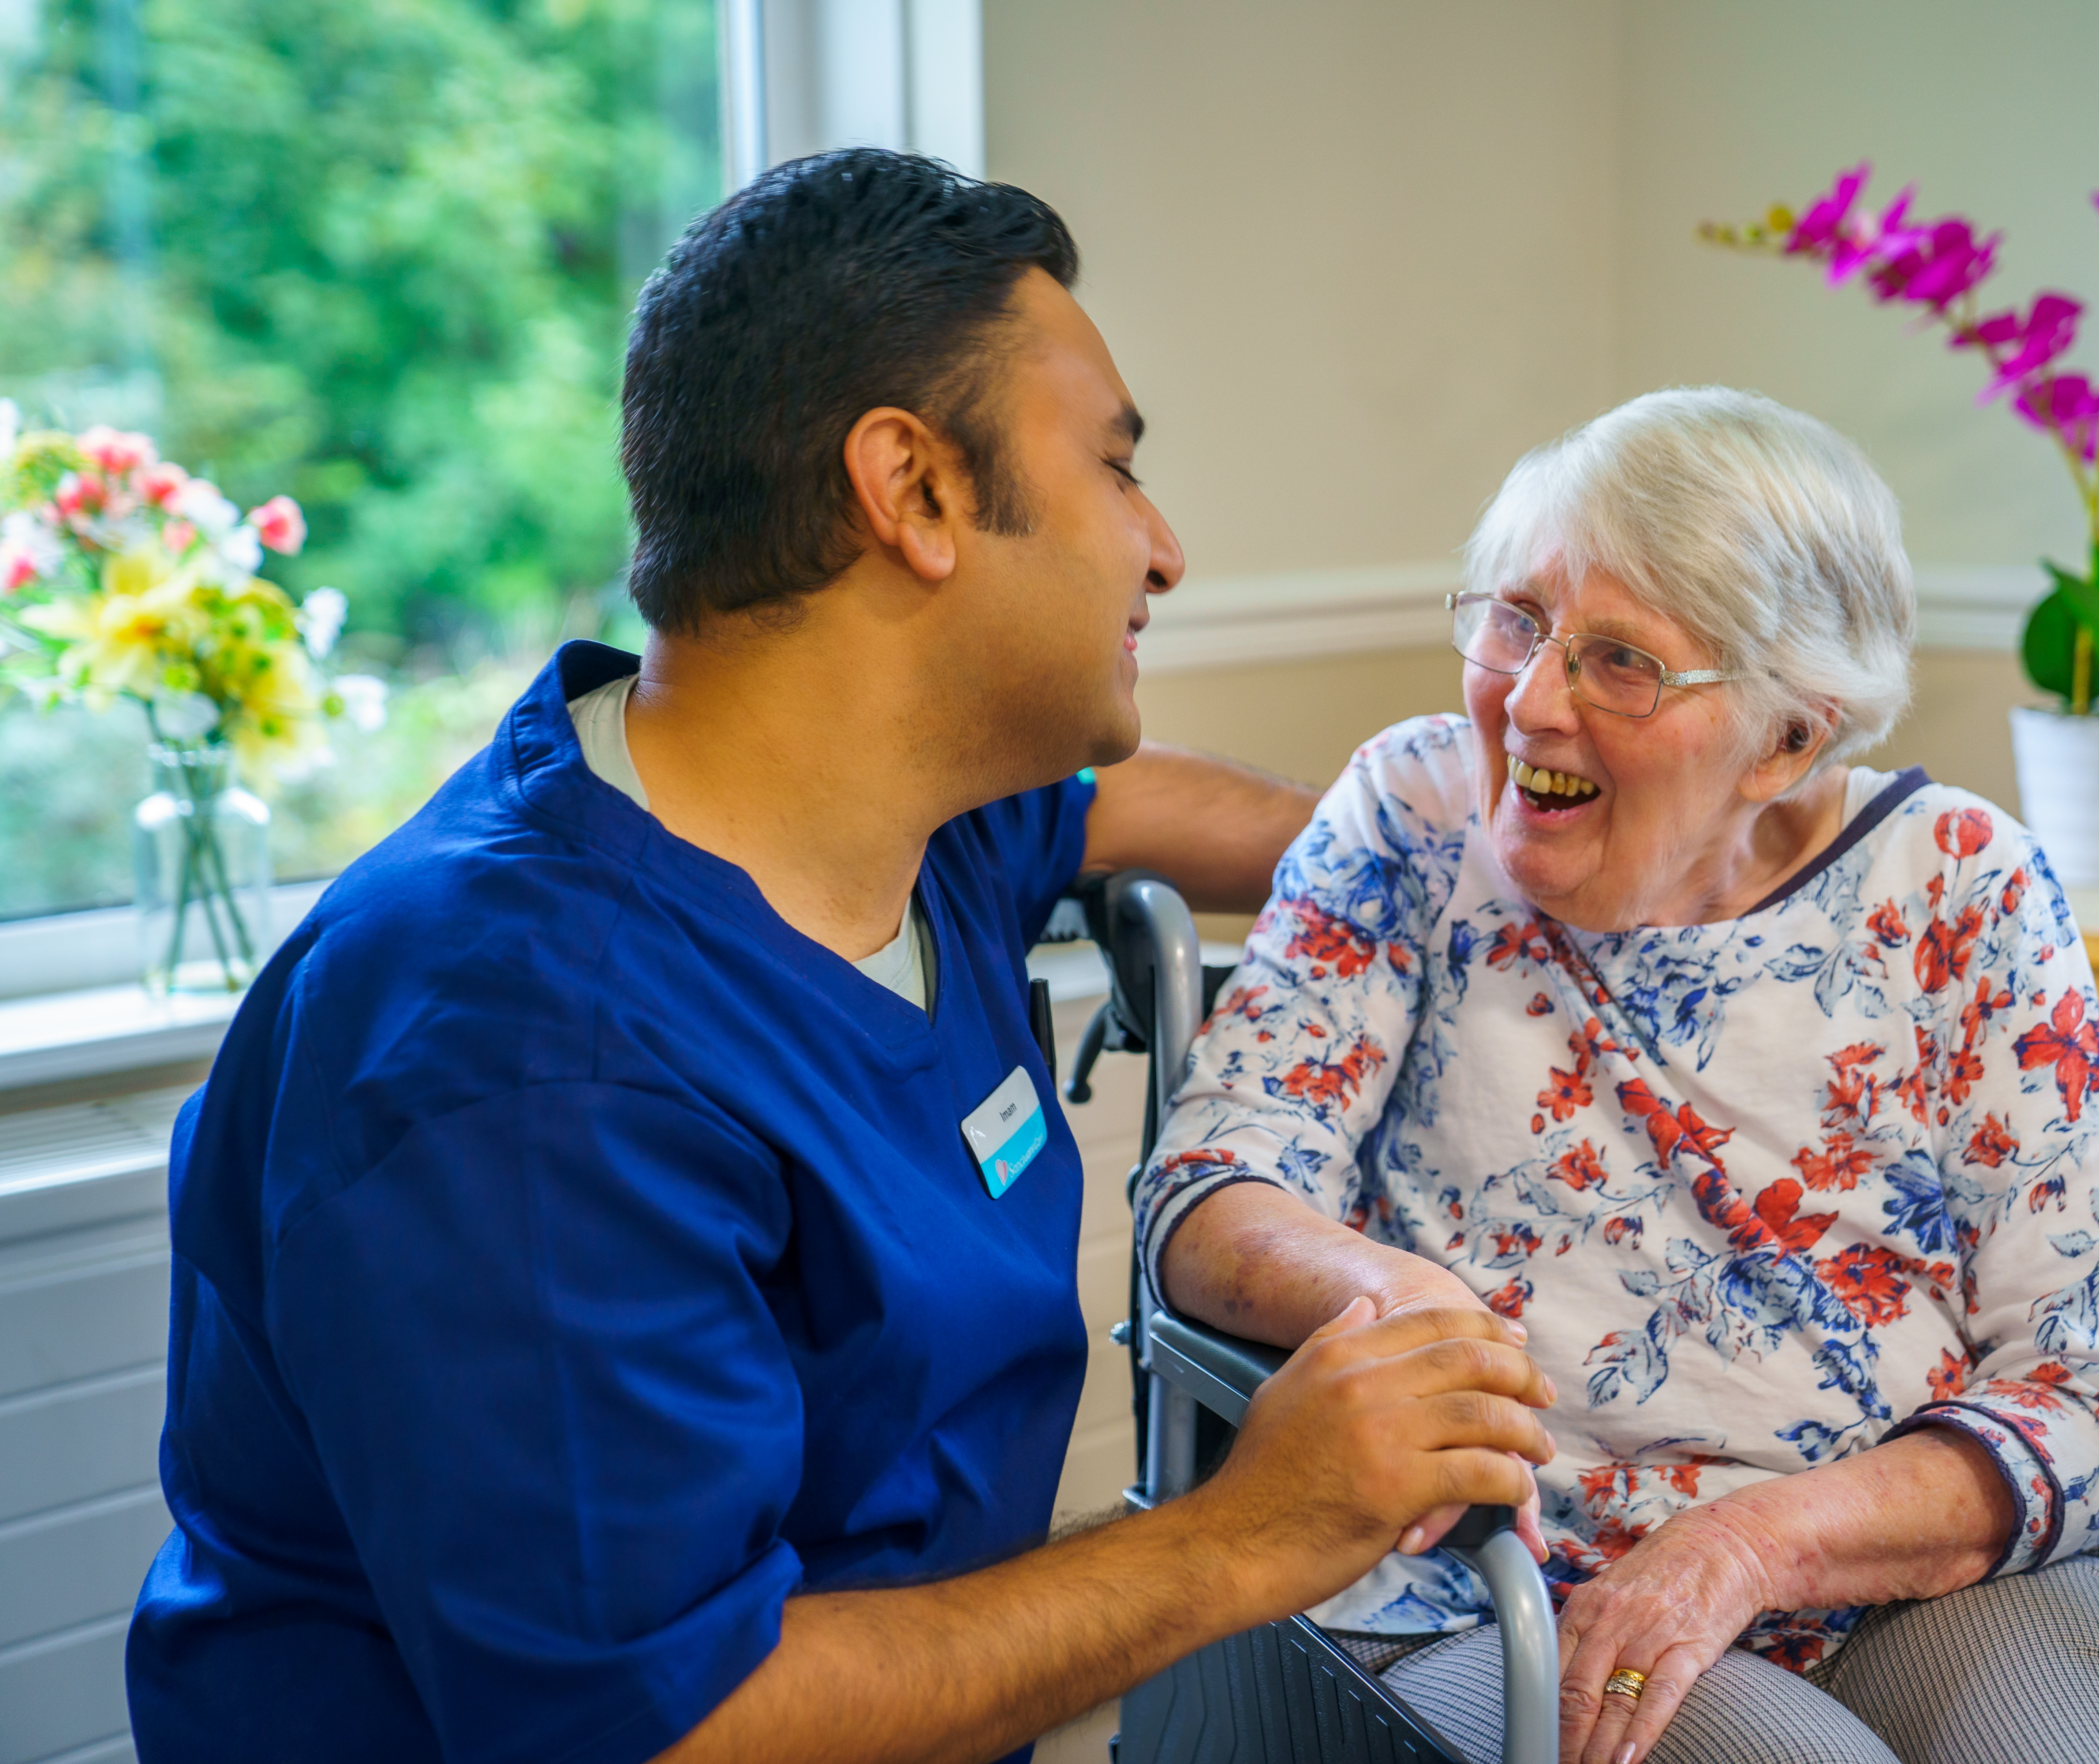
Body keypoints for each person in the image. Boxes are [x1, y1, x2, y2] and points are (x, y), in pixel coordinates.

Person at [125, 150, 1559, 1764]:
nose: (1162, 550)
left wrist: (1499, 860)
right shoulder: (523, 1059)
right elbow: (670, 1730)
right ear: (915, 492)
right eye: (1114, 469)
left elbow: (1120, 810)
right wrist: (1246, 1533)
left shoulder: (901, 822)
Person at [1139, 388, 2099, 1764]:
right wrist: (1390, 1291)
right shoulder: (1411, 819)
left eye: (1621, 663)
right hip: (1498, 1577)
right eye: (1518, 622)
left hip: (1918, 1553)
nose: (1532, 701)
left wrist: (1757, 1544)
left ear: (1790, 738)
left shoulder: (1962, 880)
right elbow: (1215, 1185)